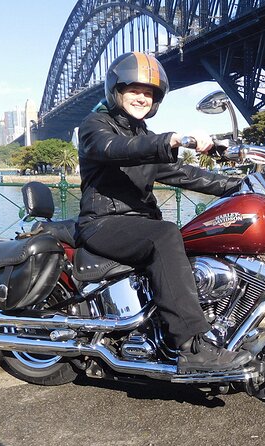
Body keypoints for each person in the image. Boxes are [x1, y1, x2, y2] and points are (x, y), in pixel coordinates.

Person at [75, 52, 250, 374]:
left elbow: (186, 174)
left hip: (139, 223)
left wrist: (243, 185)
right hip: (103, 222)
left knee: (199, 237)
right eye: (134, 90)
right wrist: (173, 139)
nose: (142, 97)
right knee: (165, 234)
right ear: (117, 90)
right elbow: (112, 149)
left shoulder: (144, 137)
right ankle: (191, 347)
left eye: (149, 93)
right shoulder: (95, 126)